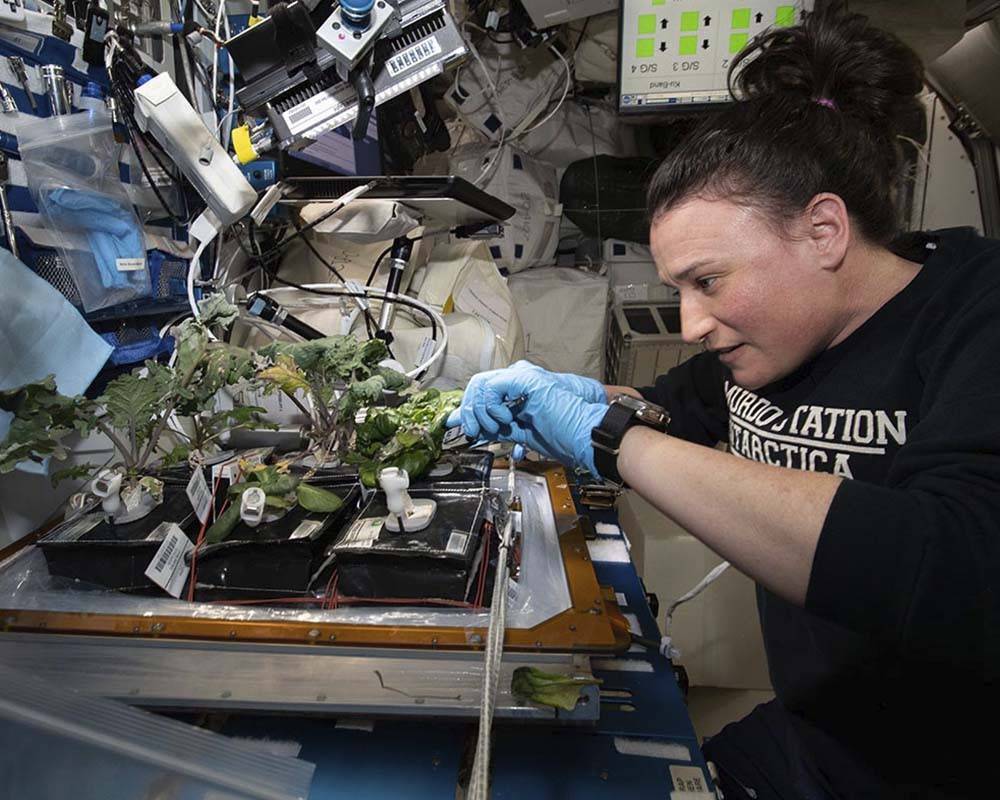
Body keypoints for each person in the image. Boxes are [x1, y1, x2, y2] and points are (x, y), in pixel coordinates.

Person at [446, 6, 1000, 799]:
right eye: (678, 290)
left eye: (708, 281)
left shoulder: (975, 311)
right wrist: (570, 399)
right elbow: (669, 410)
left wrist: (610, 438)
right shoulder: (766, 350)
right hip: (815, 736)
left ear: (823, 231)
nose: (693, 323)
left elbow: (958, 564)